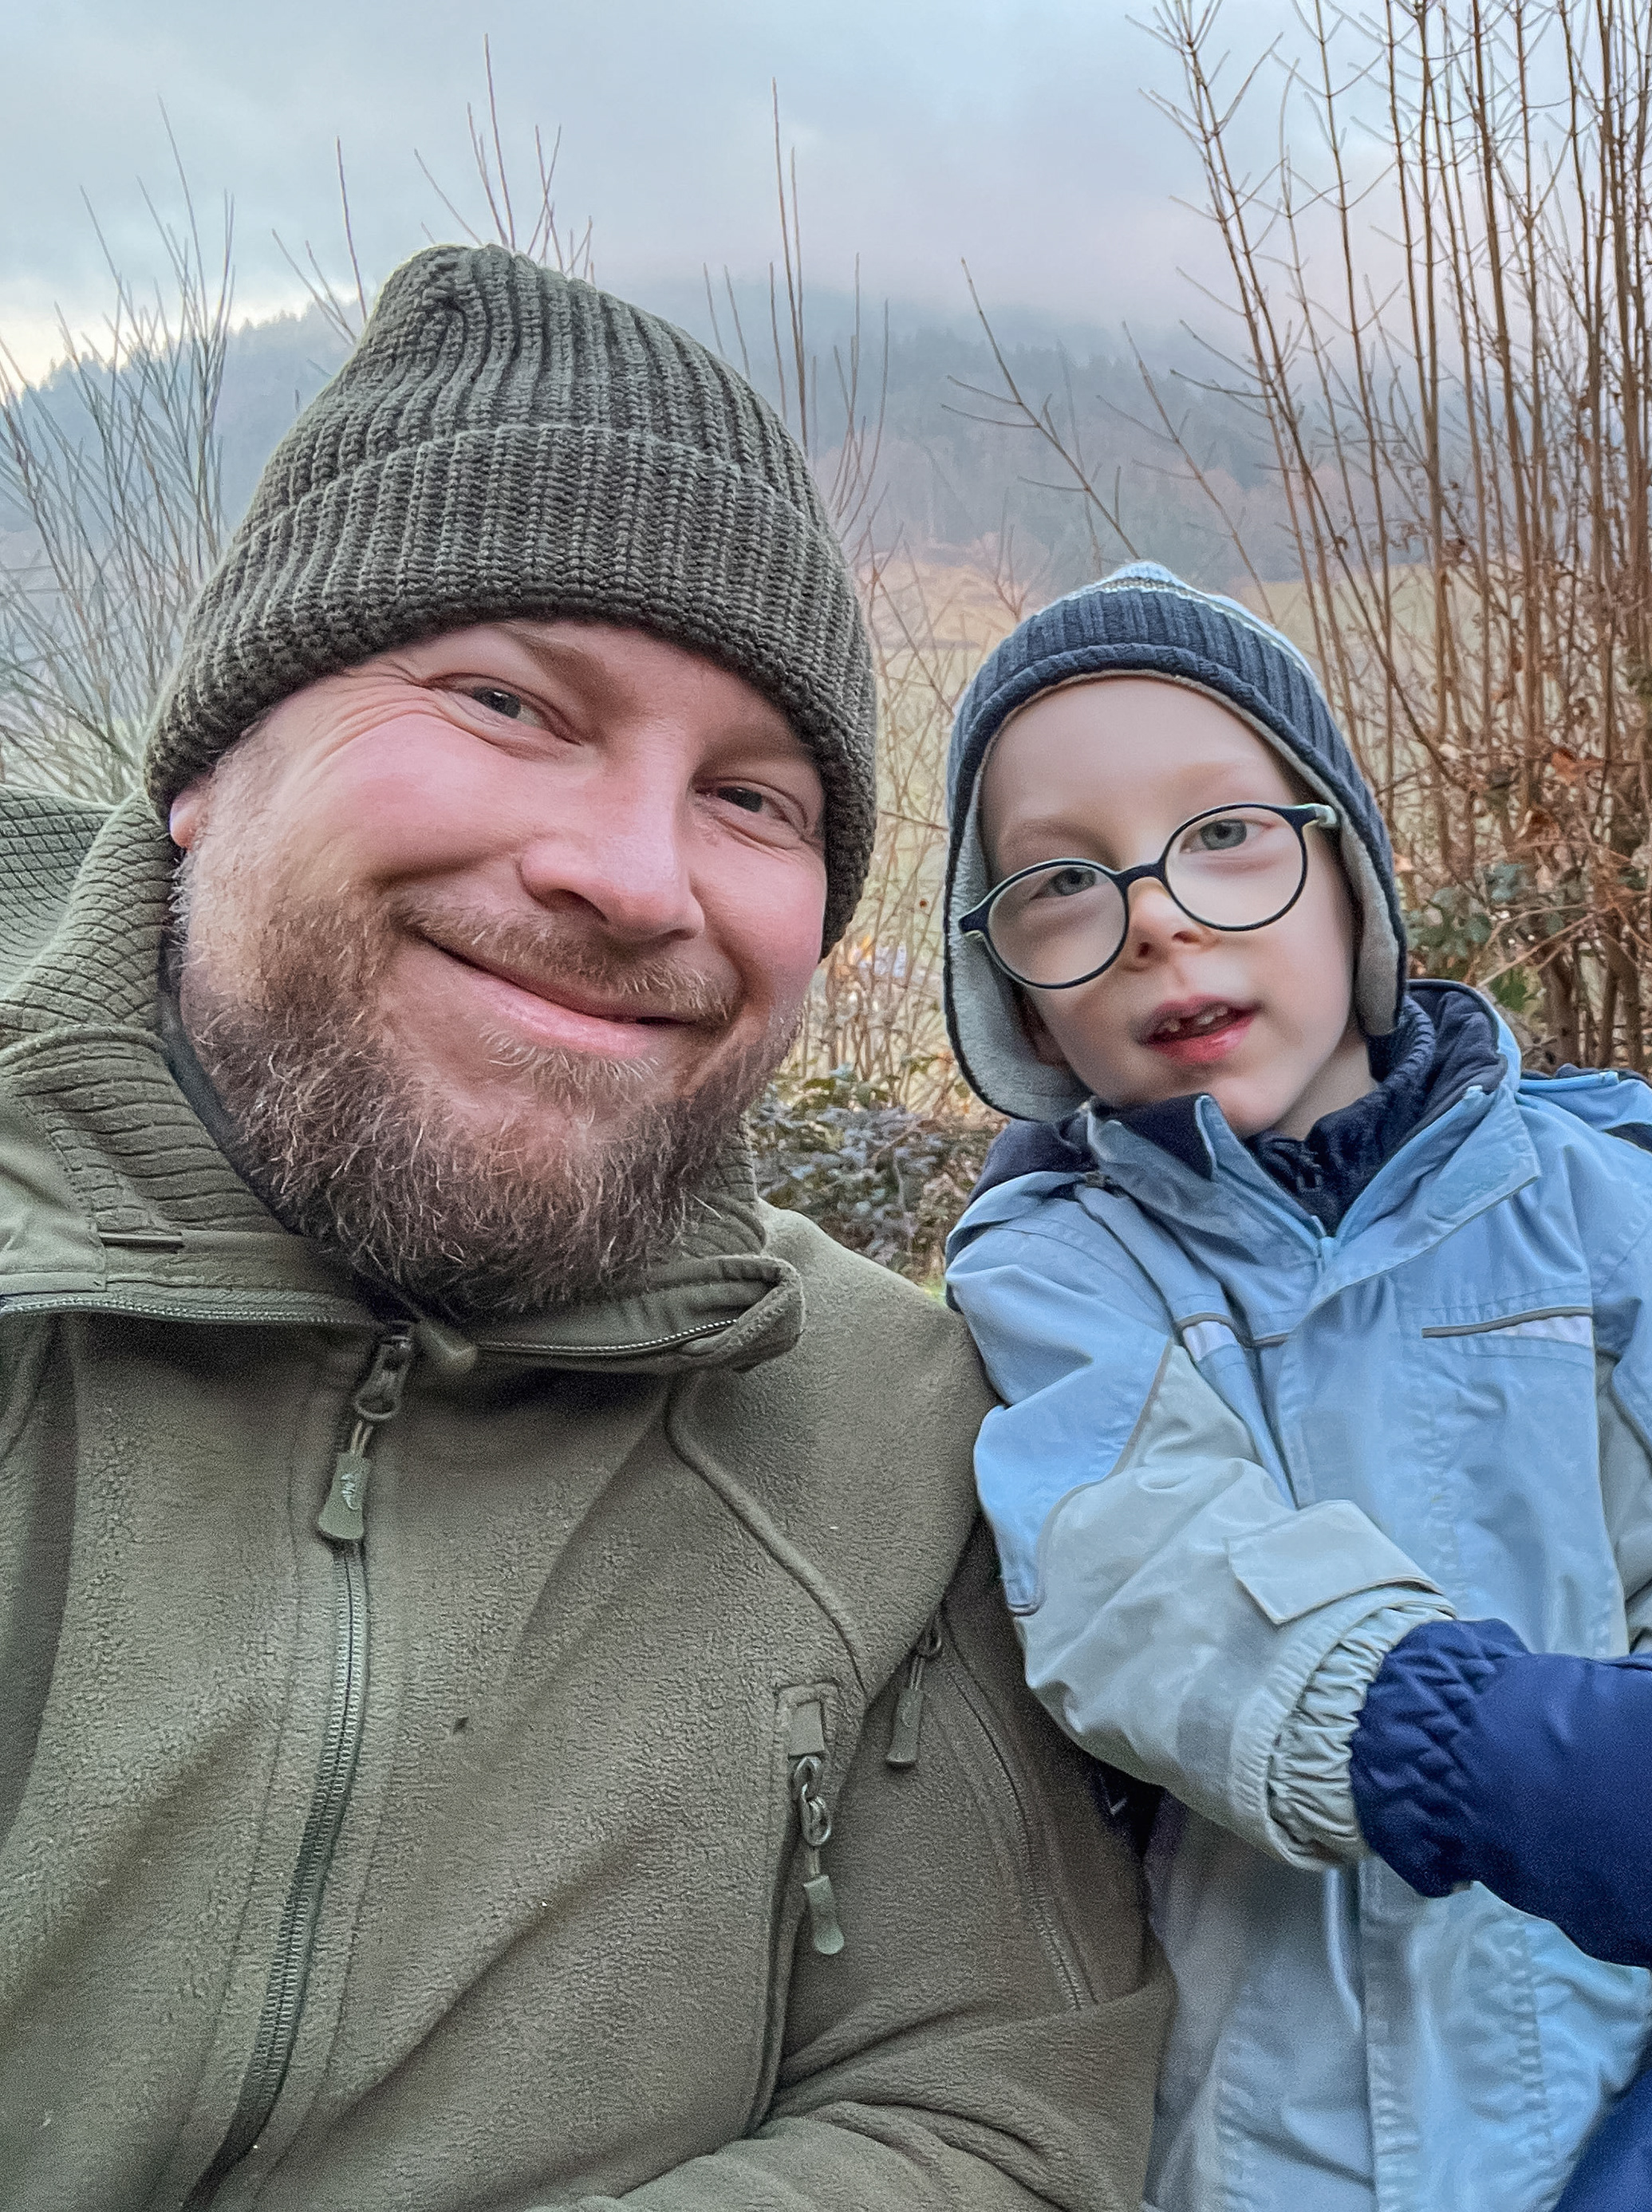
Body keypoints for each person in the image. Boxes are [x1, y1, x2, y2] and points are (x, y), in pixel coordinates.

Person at [0, 246, 1168, 2209]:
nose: (636, 879)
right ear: (210, 761)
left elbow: (997, 2115)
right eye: (508, 700)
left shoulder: (888, 1433)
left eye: (754, 796)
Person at [938, 564, 1652, 2212]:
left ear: (1348, 871)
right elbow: (1138, 1574)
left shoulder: (1611, 1211)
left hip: (1579, 2058)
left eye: (1225, 833)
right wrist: (1461, 1741)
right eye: (1062, 882)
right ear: (1015, 992)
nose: (1154, 914)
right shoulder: (1052, 1268)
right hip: (1232, 2132)